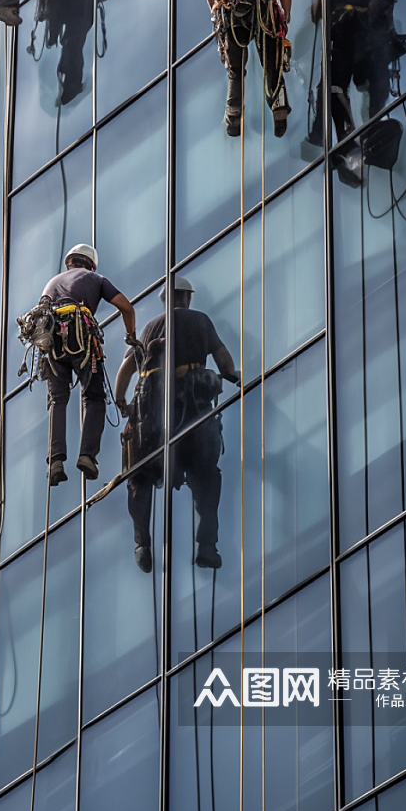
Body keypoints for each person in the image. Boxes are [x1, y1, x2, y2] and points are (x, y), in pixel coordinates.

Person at [114, 277, 239, 573]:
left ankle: (142, 543)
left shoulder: (149, 328)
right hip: (193, 412)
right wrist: (233, 375)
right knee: (206, 476)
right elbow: (222, 358)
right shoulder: (200, 321)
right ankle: (207, 546)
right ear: (186, 298)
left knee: (139, 478)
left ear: (166, 300)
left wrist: (121, 403)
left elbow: (126, 369)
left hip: (152, 420)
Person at [308, 0, 406, 185]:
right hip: (369, 45)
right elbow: (380, 5)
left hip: (345, 41)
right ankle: (373, 124)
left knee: (332, 88)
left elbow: (316, 12)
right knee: (372, 83)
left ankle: (343, 137)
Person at [38, 243, 137, 486]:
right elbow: (126, 307)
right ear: (90, 264)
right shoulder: (95, 278)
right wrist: (131, 335)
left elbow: (41, 316)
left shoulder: (51, 283)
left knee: (57, 400)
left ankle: (56, 462)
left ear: (69, 262)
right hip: (81, 338)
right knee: (93, 397)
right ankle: (87, 456)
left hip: (52, 344)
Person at [206, 0, 293, 137]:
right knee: (271, 63)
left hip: (233, 17)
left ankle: (233, 116)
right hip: (263, 11)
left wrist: (219, 20)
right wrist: (286, 16)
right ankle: (278, 106)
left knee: (236, 71)